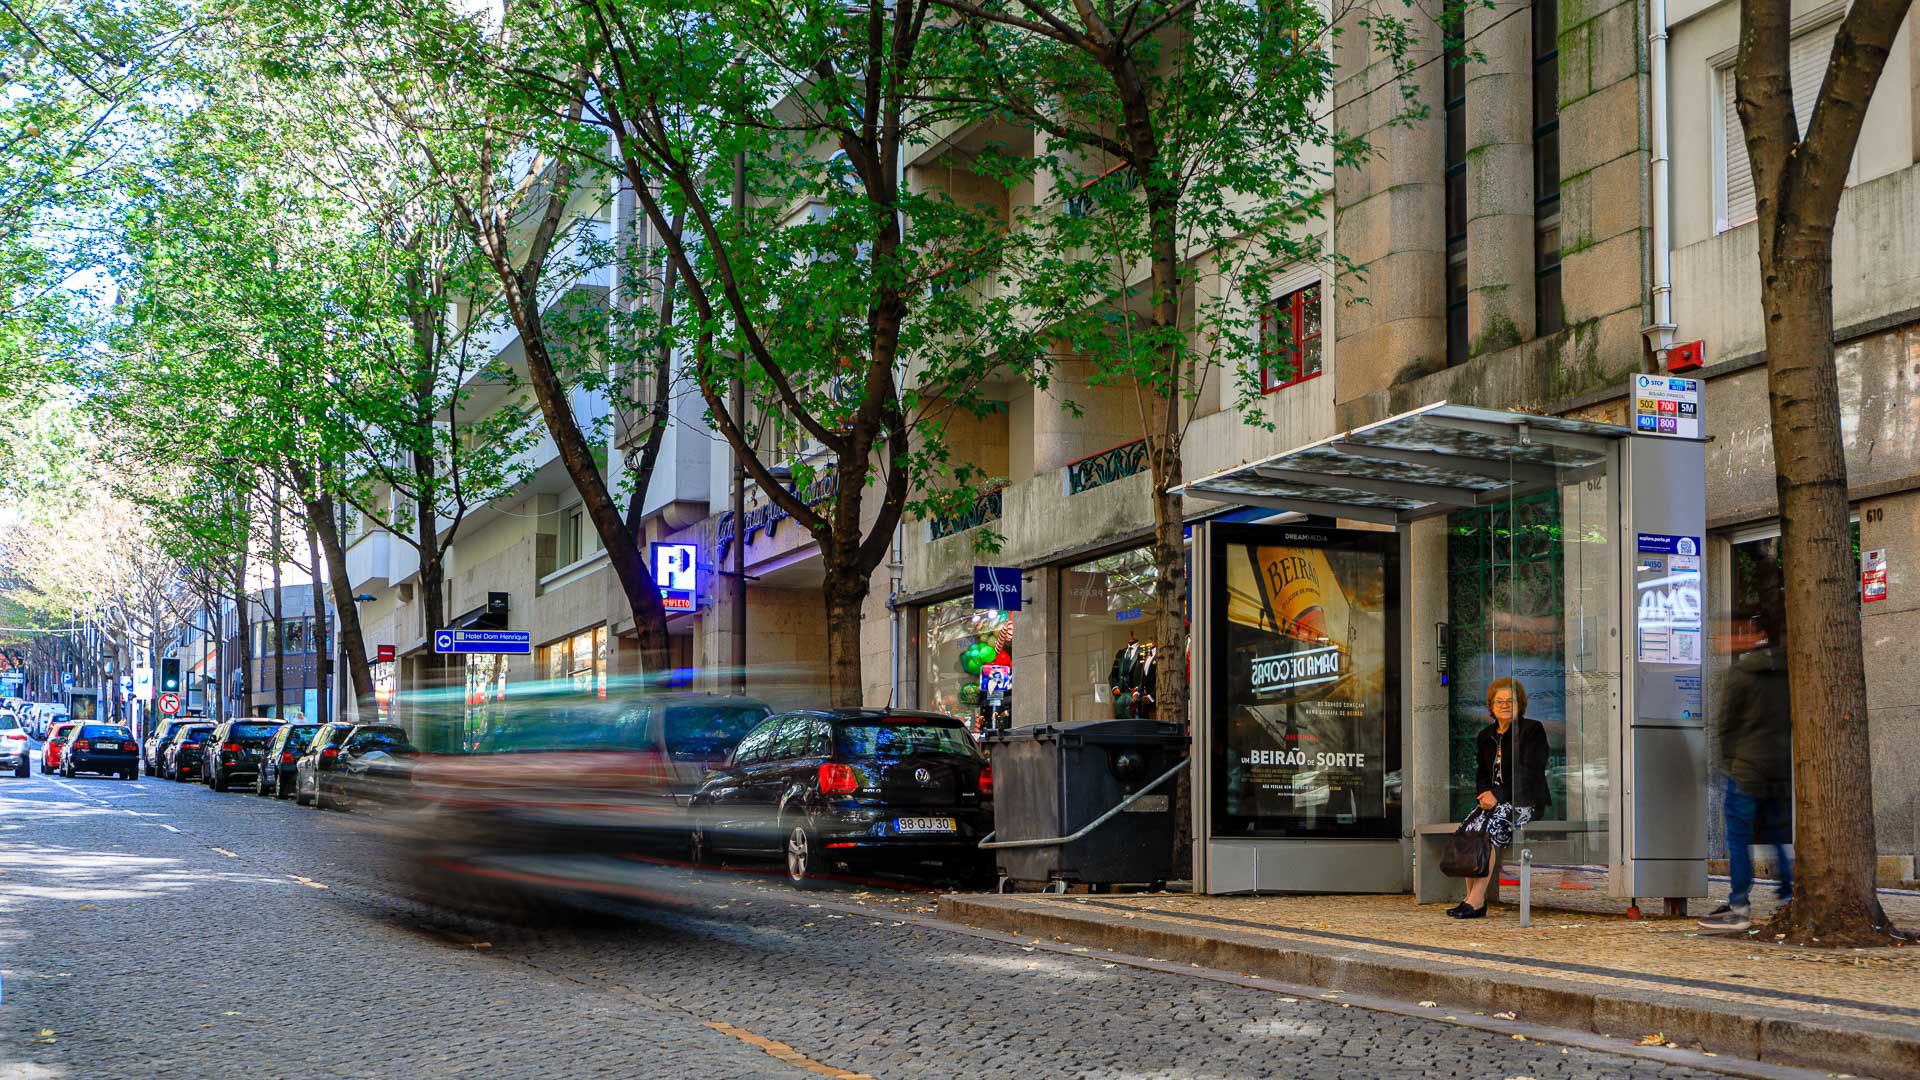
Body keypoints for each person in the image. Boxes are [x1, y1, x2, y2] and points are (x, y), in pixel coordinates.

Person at [1699, 601, 1793, 932]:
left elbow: (1726, 726)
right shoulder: (1788, 671)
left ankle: (1739, 906)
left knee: (1739, 838)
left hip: (1746, 770)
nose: (1720, 640)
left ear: (1749, 633)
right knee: (1778, 836)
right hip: (1779, 767)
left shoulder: (1739, 674)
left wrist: (1729, 764)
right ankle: (1789, 898)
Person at [1449, 676, 1549, 919]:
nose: (1505, 705)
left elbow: (1530, 771)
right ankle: (1471, 897)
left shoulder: (1532, 730)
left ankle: (1476, 900)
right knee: (1470, 829)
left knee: (1493, 826)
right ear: (1491, 706)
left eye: (1510, 701)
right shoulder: (1486, 735)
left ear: (1520, 704)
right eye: (1499, 701)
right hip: (1493, 802)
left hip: (1525, 801)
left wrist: (1498, 794)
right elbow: (1481, 774)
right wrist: (1484, 794)